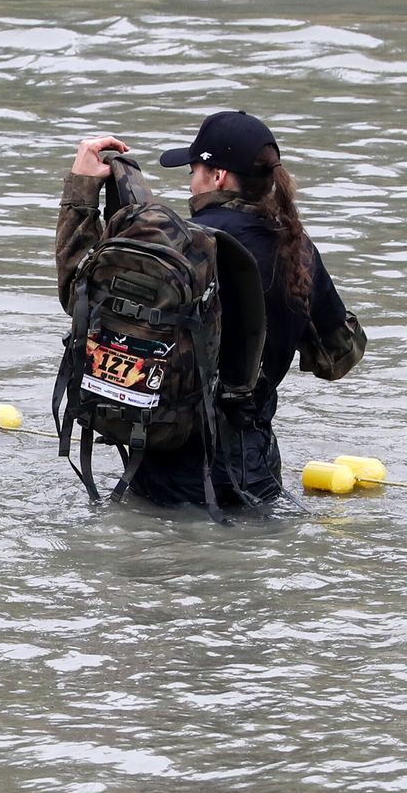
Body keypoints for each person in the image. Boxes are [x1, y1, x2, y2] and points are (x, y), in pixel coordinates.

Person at [56, 111, 365, 508]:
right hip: (256, 475)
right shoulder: (298, 251)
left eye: (192, 170)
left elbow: (79, 298)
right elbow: (337, 360)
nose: (191, 181)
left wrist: (81, 191)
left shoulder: (179, 251)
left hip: (168, 482)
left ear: (217, 176)